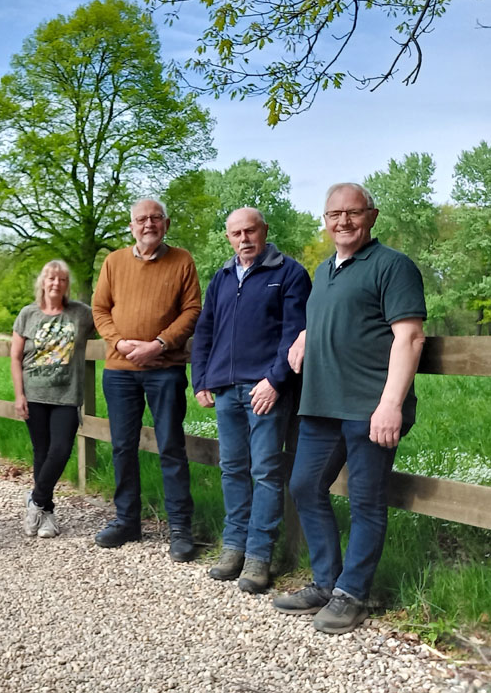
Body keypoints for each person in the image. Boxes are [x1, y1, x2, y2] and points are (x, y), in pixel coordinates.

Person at [274, 183, 426, 634]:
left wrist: (390, 404)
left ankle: (353, 594)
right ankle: (326, 583)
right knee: (304, 487)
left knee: (365, 501)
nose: (343, 221)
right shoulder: (324, 271)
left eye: (353, 212)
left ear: (371, 216)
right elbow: (332, 317)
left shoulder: (393, 266)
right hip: (321, 406)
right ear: (325, 220)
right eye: (334, 214)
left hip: (369, 408)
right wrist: (305, 335)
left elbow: (409, 337)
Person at [191, 207, 311, 593]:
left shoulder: (289, 273)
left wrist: (275, 381)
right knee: (231, 469)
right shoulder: (222, 277)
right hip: (226, 389)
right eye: (236, 233)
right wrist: (201, 379)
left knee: (266, 471)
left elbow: (295, 334)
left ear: (264, 230)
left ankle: (259, 556)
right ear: (228, 237)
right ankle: (234, 548)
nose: (244, 239)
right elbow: (206, 329)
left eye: (250, 231)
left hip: (266, 390)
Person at [91, 198, 202, 560]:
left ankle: (180, 527)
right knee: (123, 447)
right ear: (131, 226)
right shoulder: (114, 262)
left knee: (171, 446)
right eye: (141, 219)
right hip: (120, 371)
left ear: (166, 224)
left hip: (164, 370)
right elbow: (100, 309)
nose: (148, 224)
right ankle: (127, 520)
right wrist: (120, 343)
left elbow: (192, 310)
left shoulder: (182, 261)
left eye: (156, 218)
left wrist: (159, 344)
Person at [10, 260, 95, 538]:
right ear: (43, 283)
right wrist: (19, 395)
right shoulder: (28, 314)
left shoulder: (81, 313)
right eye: (51, 278)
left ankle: (35, 501)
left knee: (60, 450)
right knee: (42, 452)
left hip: (67, 395)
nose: (56, 283)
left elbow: (107, 318)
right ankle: (46, 514)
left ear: (67, 285)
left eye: (62, 279)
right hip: (34, 394)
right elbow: (15, 357)